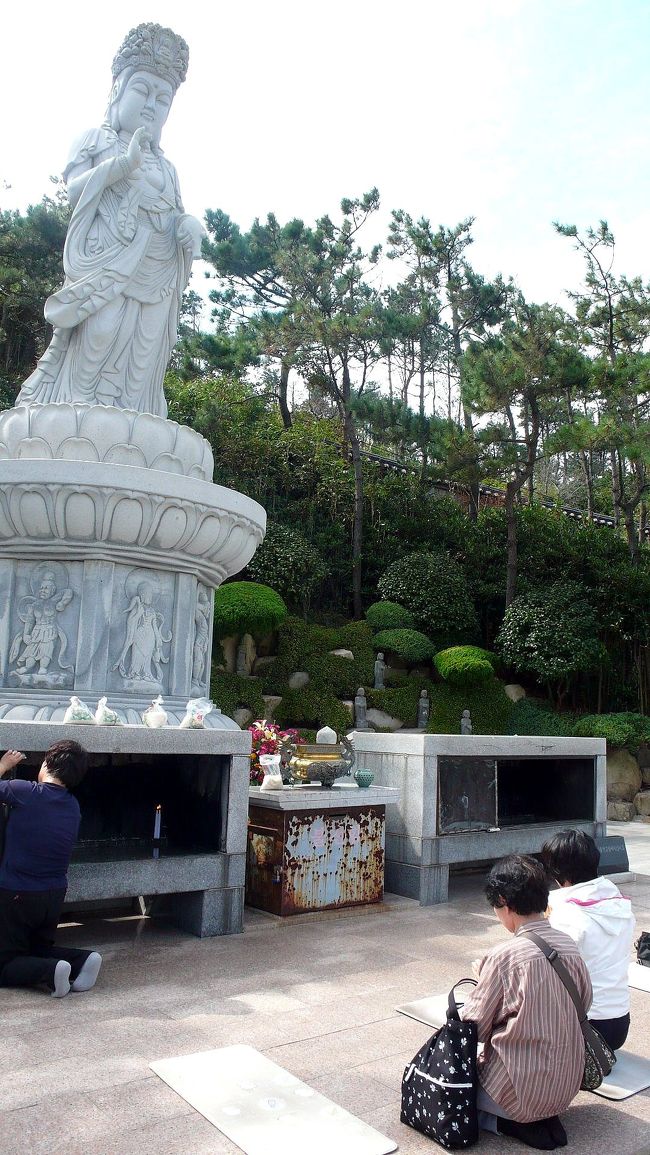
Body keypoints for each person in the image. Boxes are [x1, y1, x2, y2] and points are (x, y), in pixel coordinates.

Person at [16, 23, 203, 418]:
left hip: (157, 271)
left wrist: (188, 227)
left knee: (145, 347)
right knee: (99, 331)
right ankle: (73, 411)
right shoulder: (94, 140)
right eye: (142, 90)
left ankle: (137, 415)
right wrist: (121, 165)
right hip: (107, 263)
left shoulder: (168, 168)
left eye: (163, 98)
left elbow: (175, 214)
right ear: (117, 89)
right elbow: (73, 193)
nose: (152, 105)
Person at [461, 854, 592, 1151]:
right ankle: (542, 1118)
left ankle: (507, 1122)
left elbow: (473, 1029)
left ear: (504, 903)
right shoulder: (568, 946)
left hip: (517, 1089)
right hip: (566, 1086)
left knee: (456, 1091)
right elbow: (584, 1003)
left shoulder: (504, 957)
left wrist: (483, 981)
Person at [0, 740, 101, 997]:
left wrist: (3, 765)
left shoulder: (24, 792)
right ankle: (82, 961)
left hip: (18, 894)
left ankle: (52, 971)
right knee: (37, 949)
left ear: (46, 764)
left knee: (4, 962)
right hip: (54, 896)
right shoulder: (73, 806)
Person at [542, 829, 635, 1051]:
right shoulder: (620, 906)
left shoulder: (566, 915)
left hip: (586, 1030)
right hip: (620, 1024)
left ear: (557, 873)